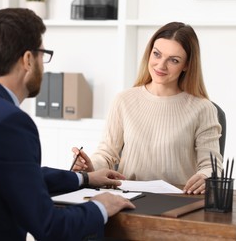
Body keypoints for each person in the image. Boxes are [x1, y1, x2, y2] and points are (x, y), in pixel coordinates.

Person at [0, 8, 135, 241]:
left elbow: (20, 175)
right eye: (42, 55)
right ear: (28, 59)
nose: (43, 64)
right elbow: (50, 228)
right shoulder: (10, 122)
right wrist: (100, 206)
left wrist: (86, 179)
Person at [72, 22, 223, 195]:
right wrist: (89, 165)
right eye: (157, 54)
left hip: (178, 199)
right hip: (127, 197)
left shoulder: (203, 109)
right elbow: (107, 154)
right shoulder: (124, 100)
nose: (161, 65)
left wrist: (206, 176)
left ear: (187, 65)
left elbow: (212, 167)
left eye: (173, 60)